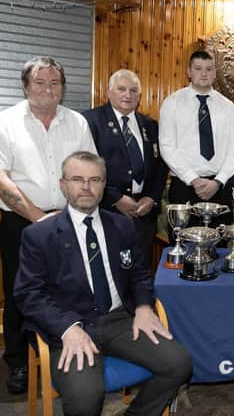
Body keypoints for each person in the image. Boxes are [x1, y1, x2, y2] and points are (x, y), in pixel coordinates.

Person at [14, 151, 192, 415]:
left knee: (180, 365)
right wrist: (67, 328)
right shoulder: (39, 234)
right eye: (77, 179)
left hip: (120, 320)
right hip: (71, 325)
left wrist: (143, 307)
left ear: (104, 185)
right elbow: (29, 294)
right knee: (86, 397)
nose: (86, 187)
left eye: (95, 180)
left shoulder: (122, 226)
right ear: (64, 185)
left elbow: (139, 274)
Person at [0, 56, 96, 394]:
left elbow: (89, 169)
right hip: (20, 224)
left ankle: (63, 352)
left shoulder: (76, 122)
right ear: (26, 86)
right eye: (39, 83)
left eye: (54, 83)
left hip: (68, 221)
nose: (47, 90)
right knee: (21, 293)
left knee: (67, 291)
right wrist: (35, 216)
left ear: (62, 87)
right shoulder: (4, 122)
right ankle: (18, 362)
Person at [83, 69, 168, 264]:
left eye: (133, 90)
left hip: (143, 214)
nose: (127, 95)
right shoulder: (90, 121)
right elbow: (87, 168)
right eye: (121, 89)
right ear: (109, 92)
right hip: (107, 211)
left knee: (139, 271)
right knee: (109, 271)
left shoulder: (151, 125)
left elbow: (162, 165)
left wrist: (152, 197)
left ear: (139, 96)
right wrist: (116, 198)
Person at [159, 50, 234, 236]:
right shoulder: (172, 103)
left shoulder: (228, 107)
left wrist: (219, 181)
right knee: (182, 246)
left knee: (218, 247)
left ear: (215, 73)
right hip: (184, 186)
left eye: (209, 69)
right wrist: (193, 179)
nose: (203, 74)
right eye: (198, 68)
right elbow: (166, 147)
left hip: (219, 188)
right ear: (189, 72)